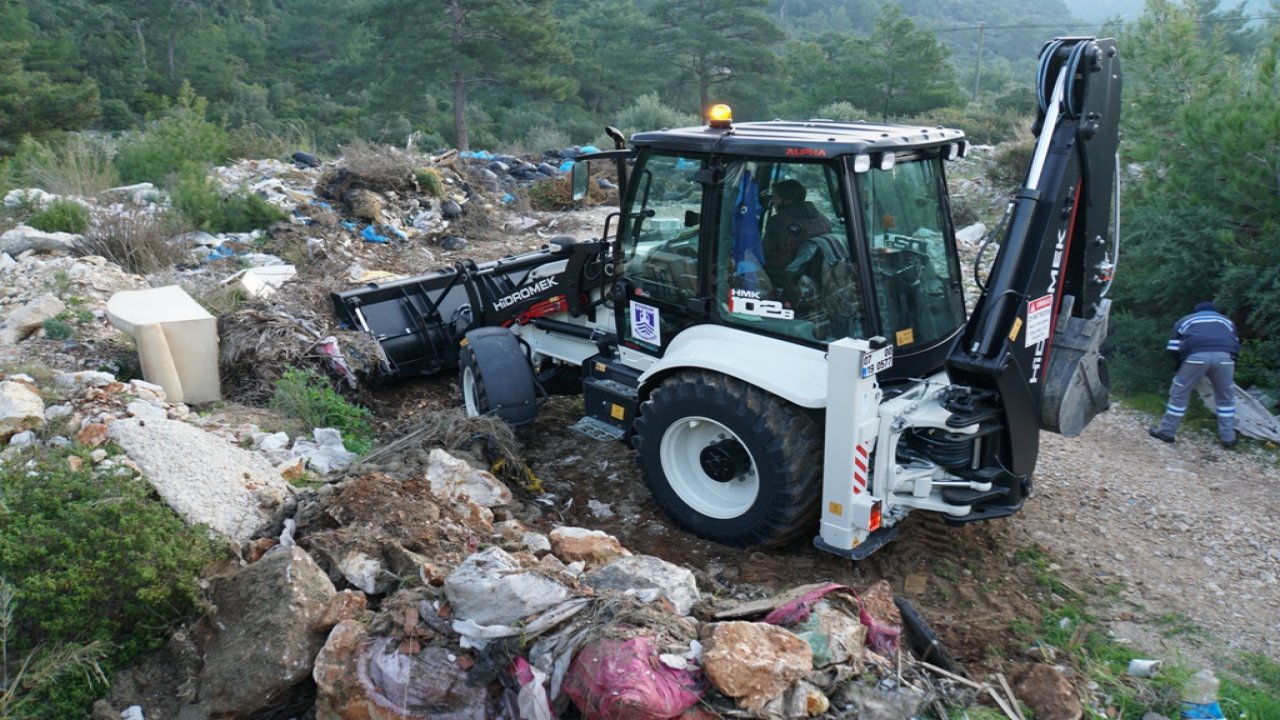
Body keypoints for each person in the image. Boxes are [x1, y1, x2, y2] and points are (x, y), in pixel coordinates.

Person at [1148, 301, 1241, 448]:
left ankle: (1167, 432)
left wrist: (1181, 365)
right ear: (1215, 311)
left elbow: (1173, 347)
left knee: (1180, 394)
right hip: (1225, 358)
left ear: (1195, 311)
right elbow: (1236, 345)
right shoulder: (1227, 321)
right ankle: (1228, 438)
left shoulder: (1186, 320)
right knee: (1226, 399)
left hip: (1196, 357)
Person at [762, 179, 832, 285]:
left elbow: (762, 254)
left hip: (781, 278)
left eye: (775, 198)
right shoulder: (823, 219)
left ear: (787, 202)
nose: (772, 201)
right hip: (813, 278)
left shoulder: (779, 223)